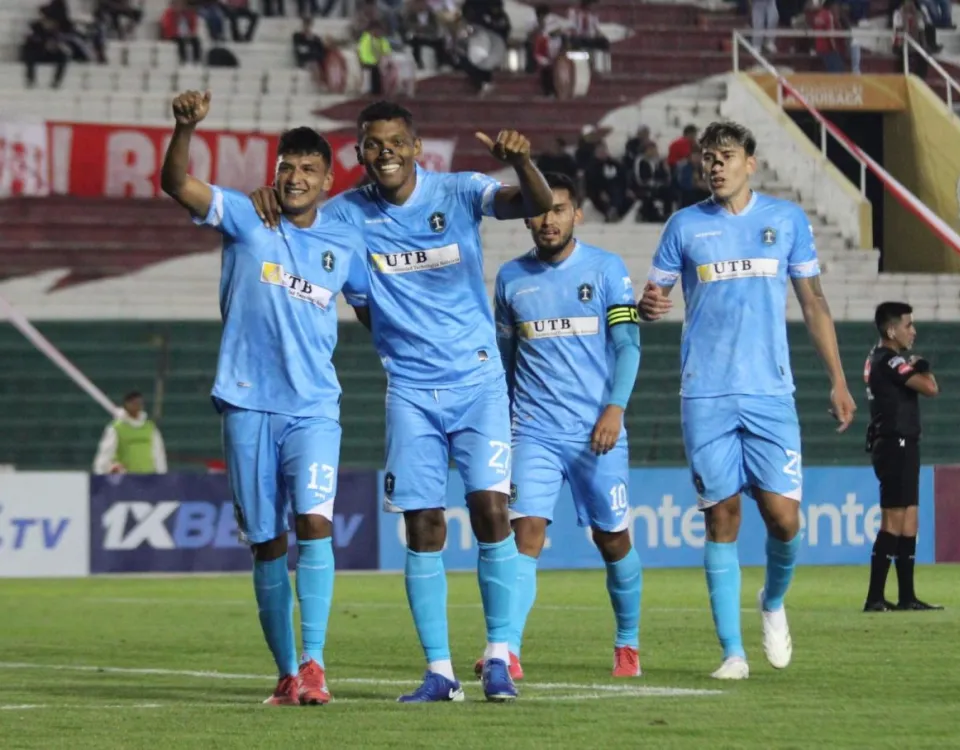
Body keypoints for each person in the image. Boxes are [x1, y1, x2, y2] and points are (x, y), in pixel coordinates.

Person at [249, 100, 554, 703]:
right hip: (411, 390)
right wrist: (269, 200)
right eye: (372, 143)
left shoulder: (459, 191)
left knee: (492, 509)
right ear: (359, 153)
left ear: (417, 147)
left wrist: (523, 162)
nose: (385, 151)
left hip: (477, 382)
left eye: (395, 141)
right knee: (423, 524)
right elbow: (301, 224)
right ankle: (440, 671)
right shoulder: (347, 214)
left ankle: (499, 656)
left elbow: (534, 203)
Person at [160, 90, 370, 706]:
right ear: (274, 172)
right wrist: (184, 128)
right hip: (247, 402)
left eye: (308, 169)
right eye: (287, 167)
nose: (296, 177)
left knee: (315, 525)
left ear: (328, 181)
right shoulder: (245, 215)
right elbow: (176, 183)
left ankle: (314, 663)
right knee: (268, 542)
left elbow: (372, 308)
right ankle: (285, 672)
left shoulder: (343, 244)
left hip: (315, 407)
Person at [637, 120, 856, 680]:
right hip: (705, 392)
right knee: (722, 517)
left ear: (750, 163)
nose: (715, 166)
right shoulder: (684, 226)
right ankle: (732, 653)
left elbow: (813, 302)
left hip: (770, 392)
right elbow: (652, 297)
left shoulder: (786, 220)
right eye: (708, 158)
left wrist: (837, 379)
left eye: (726, 156)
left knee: (784, 519)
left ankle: (773, 601)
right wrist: (647, 308)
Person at [476, 172, 643, 682]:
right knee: (524, 533)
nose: (549, 220)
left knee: (612, 539)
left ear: (577, 214)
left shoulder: (607, 269)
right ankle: (507, 649)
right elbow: (505, 360)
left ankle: (628, 642)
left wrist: (614, 409)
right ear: (526, 217)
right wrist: (499, 423)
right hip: (533, 431)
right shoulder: (511, 278)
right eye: (540, 210)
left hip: (597, 432)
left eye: (559, 209)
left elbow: (627, 346)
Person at [863, 302, 942, 612]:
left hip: (903, 444)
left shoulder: (877, 358)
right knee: (893, 520)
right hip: (894, 444)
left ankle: (907, 597)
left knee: (909, 520)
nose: (913, 331)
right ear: (891, 330)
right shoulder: (890, 360)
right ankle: (874, 597)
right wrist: (922, 365)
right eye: (908, 325)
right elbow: (931, 388)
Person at [92, 391, 168, 475]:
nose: (137, 406)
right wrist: (100, 474)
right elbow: (106, 452)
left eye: (139, 403)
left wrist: (162, 475)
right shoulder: (116, 428)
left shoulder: (150, 428)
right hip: (126, 477)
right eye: (134, 403)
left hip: (148, 477)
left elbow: (158, 453)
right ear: (126, 405)